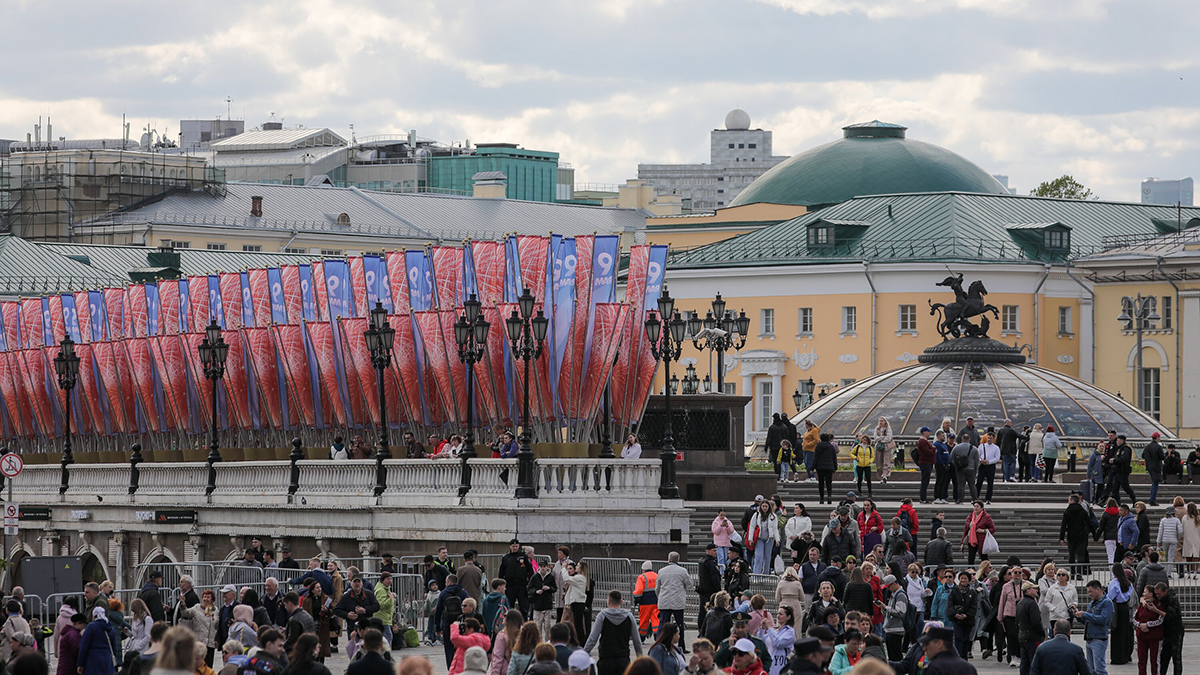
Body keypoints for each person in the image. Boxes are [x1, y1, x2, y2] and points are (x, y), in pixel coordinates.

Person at [583, 590, 642, 675]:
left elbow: (593, 638)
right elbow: (637, 641)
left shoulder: (602, 616)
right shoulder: (629, 617)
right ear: (621, 601)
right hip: (623, 658)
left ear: (608, 601)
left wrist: (585, 652)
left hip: (606, 658)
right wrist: (640, 658)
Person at [1071, 580, 1113, 675]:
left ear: (1098, 589)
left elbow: (1103, 620)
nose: (1089, 594)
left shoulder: (1107, 603)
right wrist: (1078, 616)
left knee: (1099, 669)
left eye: (1090, 591)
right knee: (1090, 670)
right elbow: (1089, 621)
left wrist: (1085, 614)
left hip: (1099, 639)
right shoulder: (1093, 603)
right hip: (1089, 638)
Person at [658, 552, 694, 646]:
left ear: (668, 559)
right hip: (678, 601)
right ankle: (681, 645)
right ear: (678, 559)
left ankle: (660, 643)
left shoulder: (661, 571)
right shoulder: (682, 571)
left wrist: (660, 596)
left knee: (663, 623)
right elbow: (690, 584)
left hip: (664, 601)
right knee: (680, 624)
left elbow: (657, 587)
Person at [1107, 562, 1135, 666]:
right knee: (1125, 631)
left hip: (1117, 606)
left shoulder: (1114, 582)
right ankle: (1125, 655)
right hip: (1125, 607)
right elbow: (1129, 594)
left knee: (1116, 630)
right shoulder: (1127, 583)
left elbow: (1111, 596)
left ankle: (1117, 657)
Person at [947, 570, 978, 660]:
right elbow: (950, 604)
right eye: (961, 578)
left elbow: (974, 606)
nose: (963, 580)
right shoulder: (954, 591)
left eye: (965, 578)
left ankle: (964, 658)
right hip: (956, 619)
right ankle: (957, 657)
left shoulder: (972, 592)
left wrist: (967, 615)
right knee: (958, 638)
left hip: (968, 620)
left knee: (966, 639)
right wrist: (954, 614)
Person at [1153, 583, 1182, 675]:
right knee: (1164, 657)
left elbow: (1171, 616)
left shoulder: (1172, 600)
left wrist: (1156, 610)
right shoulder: (1161, 600)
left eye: (1159, 594)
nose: (1157, 596)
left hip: (1176, 631)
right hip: (1166, 632)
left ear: (1165, 591)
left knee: (1176, 657)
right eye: (1156, 594)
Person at [499, 540, 533, 617]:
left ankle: (523, 623)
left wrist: (530, 583)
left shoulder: (523, 556)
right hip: (510, 585)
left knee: (523, 607)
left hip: (522, 585)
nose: (515, 548)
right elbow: (501, 571)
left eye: (516, 546)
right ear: (510, 547)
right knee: (509, 606)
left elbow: (530, 570)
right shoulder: (506, 558)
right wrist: (501, 584)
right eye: (513, 546)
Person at [77, 608, 116, 675]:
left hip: (93, 659)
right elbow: (114, 646)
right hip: (107, 659)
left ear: (94, 616)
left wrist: (80, 663)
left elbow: (84, 647)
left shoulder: (91, 627)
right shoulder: (110, 628)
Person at [1015, 582, 1043, 675]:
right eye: (1034, 588)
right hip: (1032, 636)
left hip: (1022, 635)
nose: (1036, 590)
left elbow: (1017, 620)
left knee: (1024, 662)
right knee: (1034, 662)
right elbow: (1036, 621)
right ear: (1028, 591)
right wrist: (1042, 633)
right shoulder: (1032, 603)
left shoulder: (1020, 603)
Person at [756, 606, 792, 675]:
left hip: (779, 667)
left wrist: (769, 627)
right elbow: (760, 642)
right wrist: (762, 629)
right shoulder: (774, 630)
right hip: (768, 666)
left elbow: (778, 643)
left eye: (781, 614)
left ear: (788, 617)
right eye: (777, 614)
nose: (778, 616)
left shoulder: (790, 631)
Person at [631, 561, 660, 641]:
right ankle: (657, 636)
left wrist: (636, 599)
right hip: (656, 601)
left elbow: (639, 590)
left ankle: (641, 637)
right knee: (656, 619)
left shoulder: (642, 577)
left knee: (644, 620)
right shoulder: (657, 576)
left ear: (643, 569)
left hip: (645, 602)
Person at [961, 501, 995, 565]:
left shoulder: (986, 517)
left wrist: (984, 530)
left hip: (981, 541)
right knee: (971, 558)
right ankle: (971, 571)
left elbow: (993, 529)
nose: (975, 508)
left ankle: (986, 571)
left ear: (982, 508)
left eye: (977, 506)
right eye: (974, 506)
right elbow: (966, 530)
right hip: (971, 540)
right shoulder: (970, 517)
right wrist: (963, 542)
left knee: (984, 558)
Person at [489, 611, 523, 675]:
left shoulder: (502, 636)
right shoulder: (524, 634)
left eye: (505, 616)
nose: (503, 617)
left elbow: (497, 657)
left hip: (506, 671)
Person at [950, 433, 979, 504]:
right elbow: (977, 461)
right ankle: (975, 499)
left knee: (961, 485)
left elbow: (951, 458)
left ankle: (960, 500)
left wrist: (956, 465)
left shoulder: (956, 447)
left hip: (960, 469)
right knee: (972, 484)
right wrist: (976, 470)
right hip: (971, 469)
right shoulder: (974, 448)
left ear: (962, 439)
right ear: (969, 439)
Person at [975, 431, 1000, 504]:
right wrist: (981, 460)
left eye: (991, 438)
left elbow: (997, 458)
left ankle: (988, 499)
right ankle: (976, 497)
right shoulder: (981, 446)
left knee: (990, 483)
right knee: (979, 482)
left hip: (991, 466)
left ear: (993, 439)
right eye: (988, 438)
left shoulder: (996, 448)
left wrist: (989, 462)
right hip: (982, 466)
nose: (989, 439)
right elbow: (977, 455)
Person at [813, 433, 839, 504]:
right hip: (829, 467)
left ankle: (821, 498)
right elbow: (834, 458)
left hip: (820, 467)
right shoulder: (831, 447)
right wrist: (835, 467)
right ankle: (829, 496)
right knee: (829, 483)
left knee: (821, 483)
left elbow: (816, 457)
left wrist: (812, 467)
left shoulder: (818, 446)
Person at [872, 417, 895, 483]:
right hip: (879, 447)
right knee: (879, 462)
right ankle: (880, 476)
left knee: (886, 461)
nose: (881, 422)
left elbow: (889, 438)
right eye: (879, 421)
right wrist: (882, 438)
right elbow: (875, 438)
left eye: (882, 421)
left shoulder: (888, 428)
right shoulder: (877, 428)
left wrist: (880, 439)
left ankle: (885, 475)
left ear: (885, 421)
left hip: (886, 447)